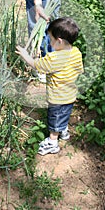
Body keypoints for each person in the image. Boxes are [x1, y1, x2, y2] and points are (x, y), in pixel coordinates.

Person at [16, 17, 84, 156]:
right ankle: (63, 131)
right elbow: (79, 69)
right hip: (70, 94)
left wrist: (26, 56)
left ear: (59, 41)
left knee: (54, 119)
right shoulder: (76, 52)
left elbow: (37, 65)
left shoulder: (54, 58)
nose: (50, 43)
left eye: (50, 40)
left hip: (57, 98)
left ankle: (52, 143)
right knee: (64, 114)